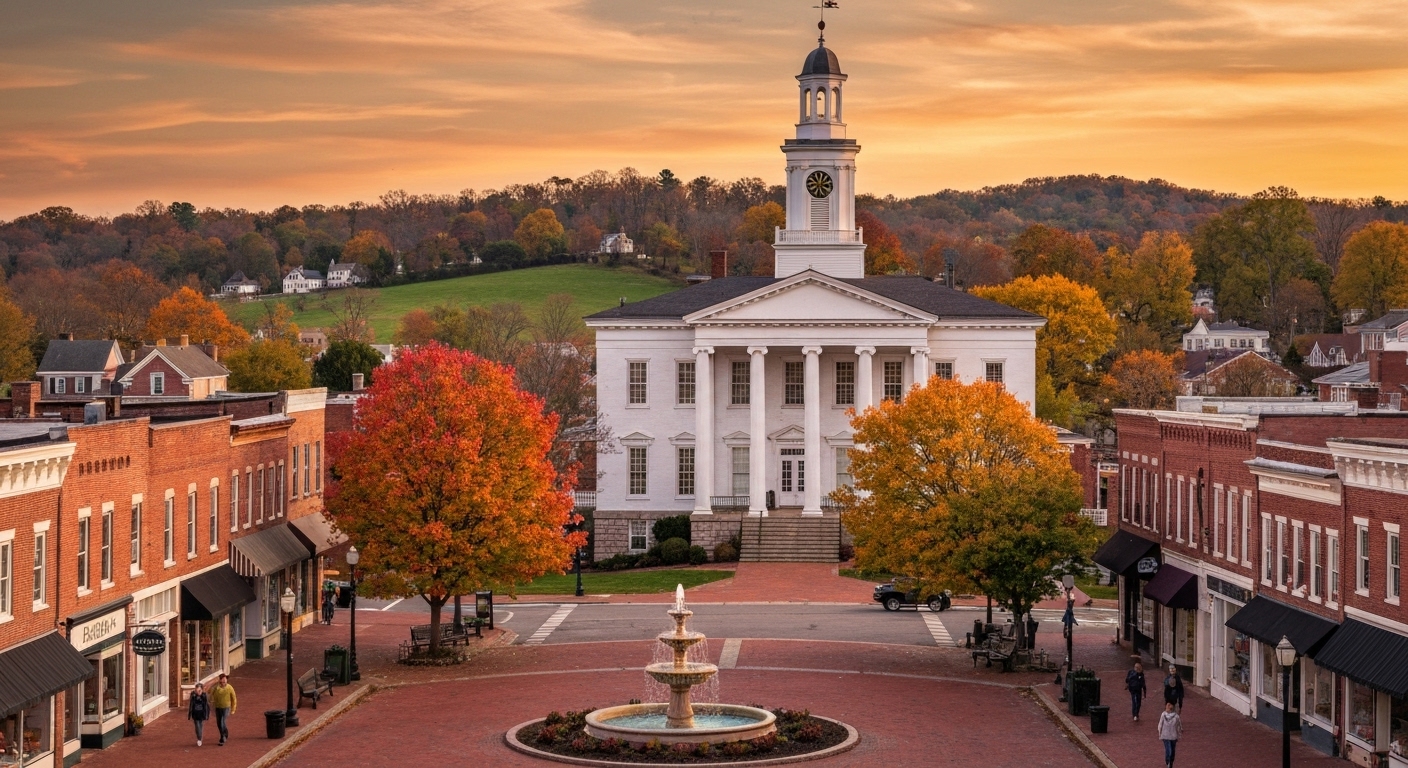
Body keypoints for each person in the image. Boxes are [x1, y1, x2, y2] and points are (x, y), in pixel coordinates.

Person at [209, 673, 237, 746]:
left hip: (226, 707)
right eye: (222, 680)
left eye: (224, 680)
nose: (223, 681)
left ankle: (222, 737)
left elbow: (234, 698)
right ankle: (225, 732)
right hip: (218, 707)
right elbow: (211, 694)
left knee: (222, 722)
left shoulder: (229, 688)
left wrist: (233, 709)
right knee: (219, 723)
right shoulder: (216, 688)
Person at [1157, 701, 1183, 766]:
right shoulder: (1174, 716)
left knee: (1170, 750)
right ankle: (1169, 761)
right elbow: (1179, 726)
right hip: (1170, 736)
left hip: (1169, 736)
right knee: (1171, 750)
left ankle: (1169, 761)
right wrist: (1179, 734)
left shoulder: (1167, 715)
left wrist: (1160, 733)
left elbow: (1160, 725)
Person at [187, 682, 210, 747]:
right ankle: (199, 738)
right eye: (197, 690)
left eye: (199, 690)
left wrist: (207, 715)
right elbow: (191, 705)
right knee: (197, 726)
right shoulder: (193, 695)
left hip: (201, 713)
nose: (198, 692)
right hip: (195, 714)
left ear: (202, 690)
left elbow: (206, 705)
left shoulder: (204, 695)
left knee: (201, 725)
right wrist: (189, 714)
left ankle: (199, 738)